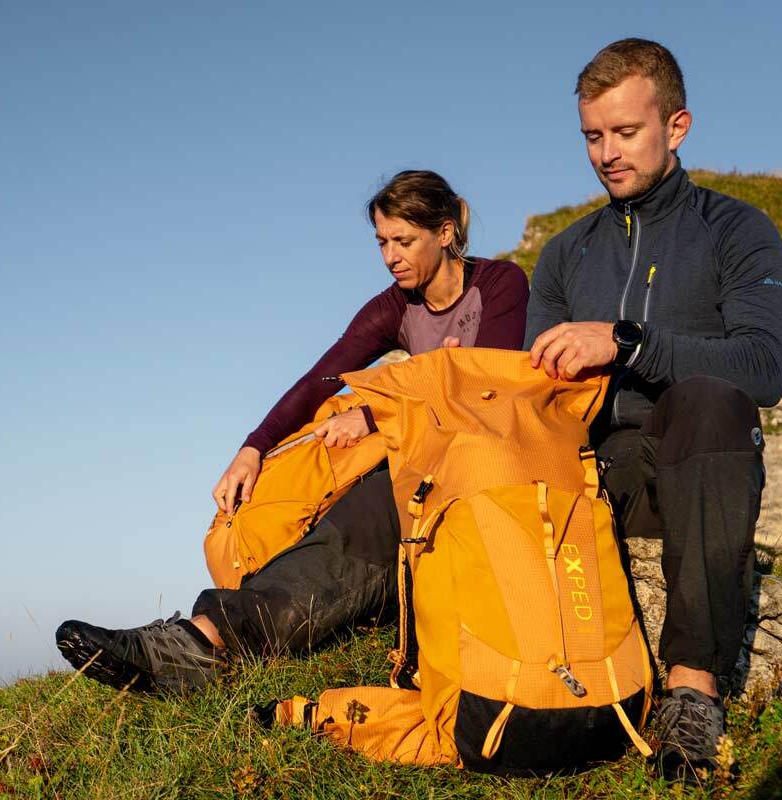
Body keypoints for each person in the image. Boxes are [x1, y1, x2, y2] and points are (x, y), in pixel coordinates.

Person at [57, 170, 529, 693]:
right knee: (341, 507)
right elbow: (318, 381)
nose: (390, 256)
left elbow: (486, 387)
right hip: (422, 457)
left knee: (372, 510)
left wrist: (378, 414)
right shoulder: (395, 306)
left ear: (444, 233)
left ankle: (205, 643)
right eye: (382, 242)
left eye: (403, 241)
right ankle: (200, 635)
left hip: (490, 466)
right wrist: (253, 447)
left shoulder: (500, 284)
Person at [523, 39, 782, 783]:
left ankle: (692, 693)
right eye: (592, 136)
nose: (606, 154)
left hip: (691, 459)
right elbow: (537, 396)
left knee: (708, 398)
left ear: (677, 126)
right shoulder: (563, 254)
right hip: (591, 476)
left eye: (625, 132)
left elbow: (765, 368)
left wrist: (627, 341)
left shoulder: (738, 230)